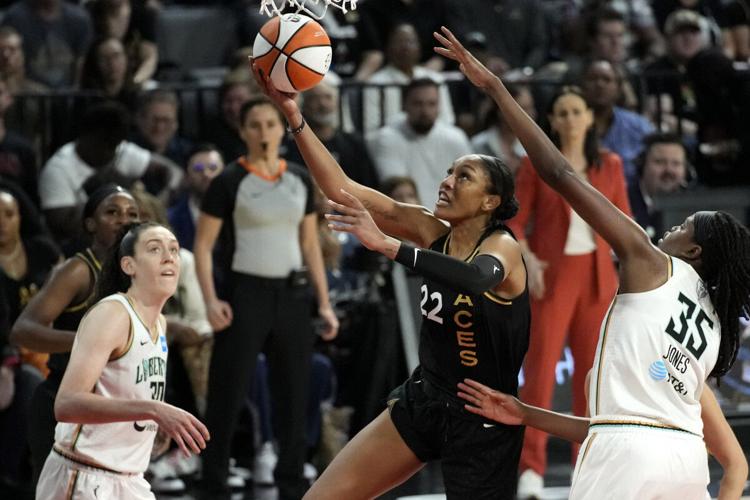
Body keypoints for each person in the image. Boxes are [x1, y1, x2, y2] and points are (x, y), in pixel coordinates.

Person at [435, 25, 750, 499]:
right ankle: (533, 468)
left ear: (694, 251)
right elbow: (733, 466)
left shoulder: (651, 261)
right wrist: (526, 415)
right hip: (686, 461)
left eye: (684, 226)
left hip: (625, 463)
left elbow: (559, 171)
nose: (669, 227)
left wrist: (496, 89)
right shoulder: (711, 330)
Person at [252, 51, 531, 499]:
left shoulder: (502, 246)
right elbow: (342, 188)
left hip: (483, 414)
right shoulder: (428, 227)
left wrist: (387, 245)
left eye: (464, 177)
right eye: (448, 172)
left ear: (489, 202)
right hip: (425, 398)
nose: (446, 181)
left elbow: (475, 279)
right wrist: (291, 113)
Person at [194, 97, 339, 500]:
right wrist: (210, 300)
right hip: (246, 293)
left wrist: (323, 303)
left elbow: (311, 245)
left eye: (270, 125)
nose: (263, 133)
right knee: (228, 390)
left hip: (292, 295)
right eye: (254, 125)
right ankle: (213, 483)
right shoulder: (228, 181)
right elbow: (203, 247)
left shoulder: (297, 178)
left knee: (293, 393)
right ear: (242, 132)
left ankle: (292, 484)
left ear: (283, 129)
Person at [505, 84, 631, 497]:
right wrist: (526, 256)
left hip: (598, 279)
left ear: (590, 118)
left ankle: (587, 466)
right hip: (552, 276)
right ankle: (531, 470)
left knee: (591, 379)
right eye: (563, 112)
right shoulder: (535, 163)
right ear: (553, 122)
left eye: (578, 111)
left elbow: (623, 221)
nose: (572, 119)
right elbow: (513, 221)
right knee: (539, 373)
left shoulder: (610, 164)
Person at [35, 221, 209, 500]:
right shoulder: (113, 314)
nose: (169, 257)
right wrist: (153, 410)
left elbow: (126, 393)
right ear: (129, 266)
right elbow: (67, 404)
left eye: (174, 250)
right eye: (155, 249)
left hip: (129, 480)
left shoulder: (159, 323)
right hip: (84, 475)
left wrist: (150, 423)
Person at [10, 184, 139, 484]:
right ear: (90, 224)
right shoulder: (78, 271)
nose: (124, 219)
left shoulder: (138, 275)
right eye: (112, 212)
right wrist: (86, 343)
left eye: (132, 214)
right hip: (66, 402)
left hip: (116, 404)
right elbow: (23, 330)